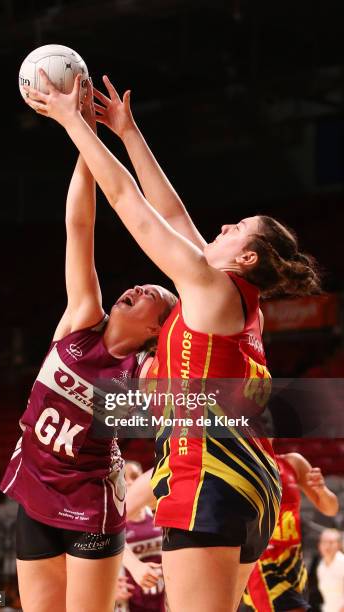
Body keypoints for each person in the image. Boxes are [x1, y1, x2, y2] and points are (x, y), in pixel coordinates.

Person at [23, 71, 321, 612]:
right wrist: (127, 131)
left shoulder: (210, 292)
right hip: (251, 482)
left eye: (236, 229)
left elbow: (129, 203)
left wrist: (72, 122)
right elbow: (176, 215)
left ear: (246, 259)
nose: (223, 226)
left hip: (212, 475)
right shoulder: (231, 301)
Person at [0, 83, 176, 612]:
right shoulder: (81, 322)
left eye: (155, 294)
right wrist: (86, 141)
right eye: (142, 284)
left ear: (155, 329)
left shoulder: (143, 369)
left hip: (90, 501)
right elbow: (80, 226)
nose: (142, 286)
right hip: (34, 485)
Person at [243, 451, 338, 612]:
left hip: (293, 564)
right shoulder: (242, 463)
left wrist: (321, 490)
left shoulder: (293, 462)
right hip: (262, 563)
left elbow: (331, 509)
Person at [115, 461, 164, 611]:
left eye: (134, 477)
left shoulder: (159, 514)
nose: (129, 482)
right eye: (123, 478)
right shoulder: (111, 523)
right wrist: (107, 586)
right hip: (129, 602)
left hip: (162, 600)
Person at [317, 529, 344, 612]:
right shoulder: (321, 566)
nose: (327, 546)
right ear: (319, 545)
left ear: (339, 545)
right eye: (324, 542)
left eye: (331, 542)